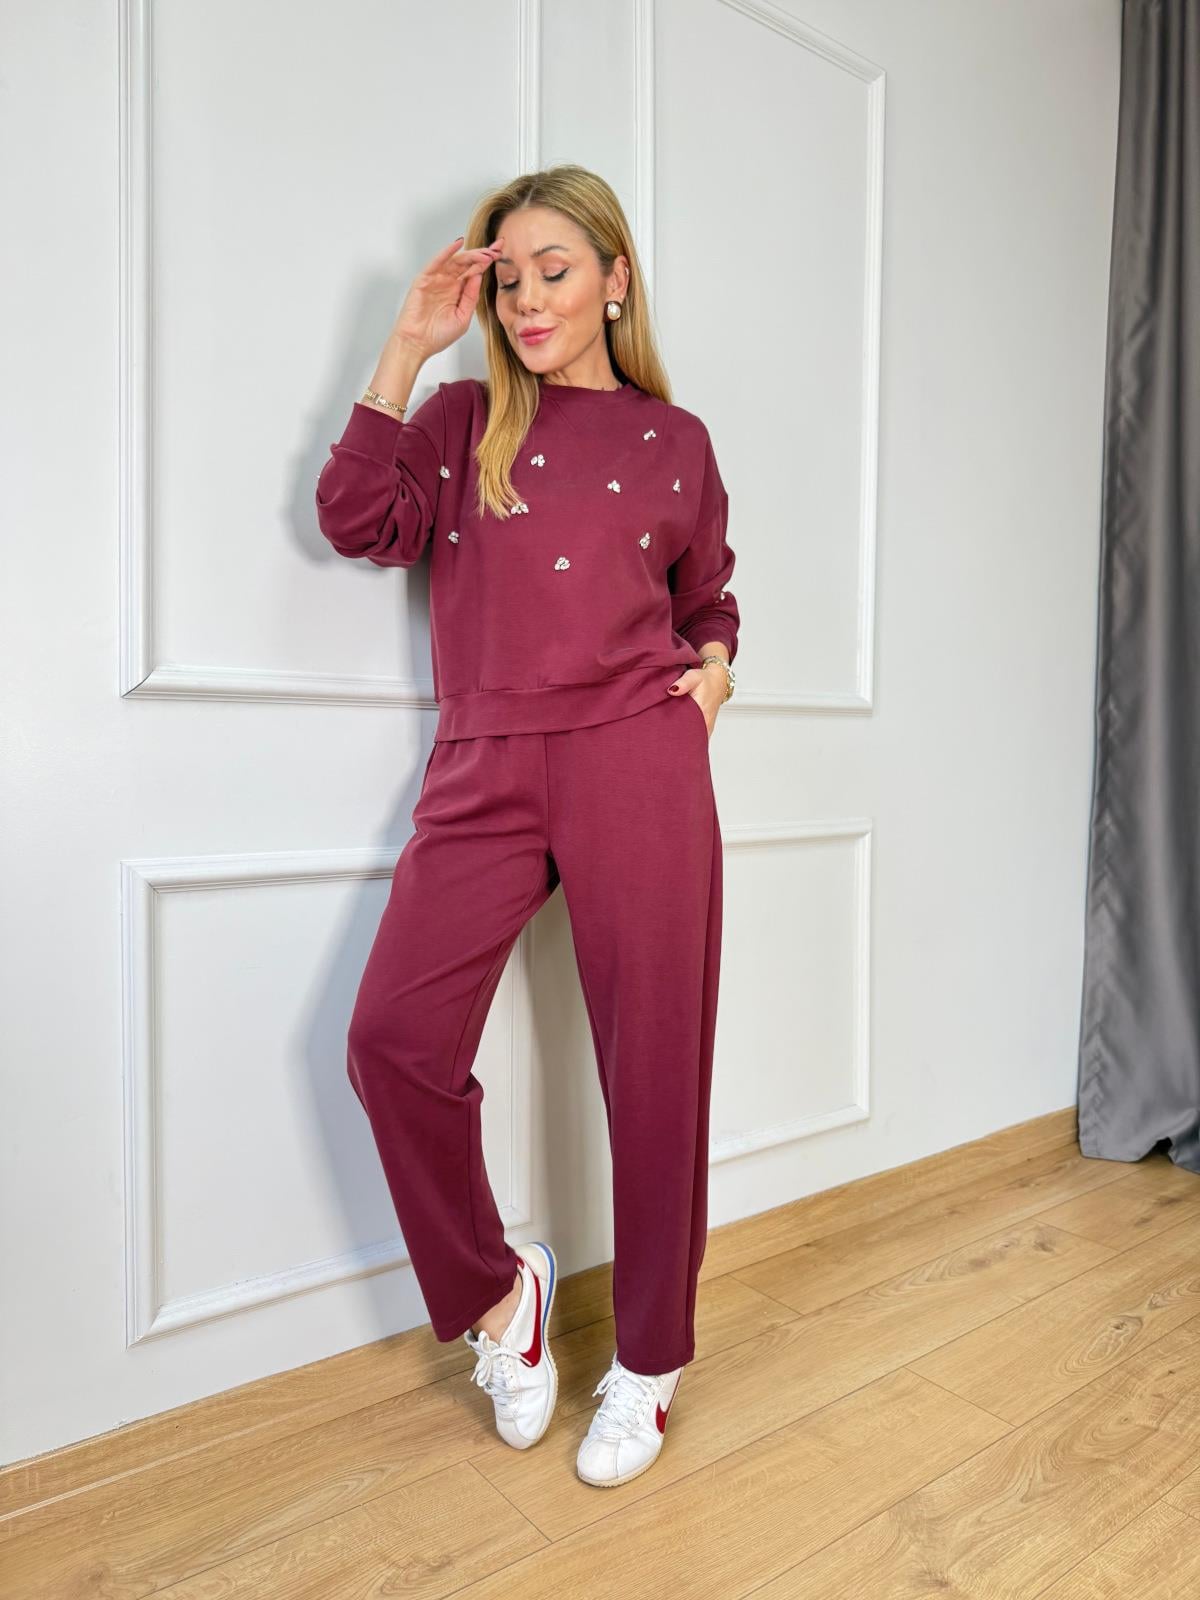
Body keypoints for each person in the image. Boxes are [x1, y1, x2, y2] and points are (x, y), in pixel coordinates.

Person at [314, 164, 740, 1489]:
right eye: (508, 280)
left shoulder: (677, 442)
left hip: (637, 759)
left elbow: (709, 596)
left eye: (555, 270)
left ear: (615, 278)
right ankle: (506, 1303)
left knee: (656, 1066)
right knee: (392, 1041)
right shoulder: (461, 419)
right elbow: (356, 521)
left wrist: (714, 671)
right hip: (486, 759)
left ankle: (651, 1363)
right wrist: (406, 344)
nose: (529, 301)